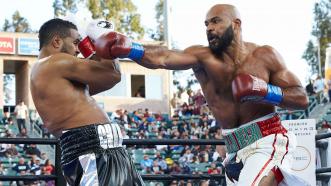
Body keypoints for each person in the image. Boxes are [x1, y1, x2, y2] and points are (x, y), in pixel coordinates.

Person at [92, 4, 309, 186]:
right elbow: (164, 57)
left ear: (236, 24)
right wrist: (131, 48)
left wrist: (265, 91)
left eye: (216, 21)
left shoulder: (265, 55)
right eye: (206, 24)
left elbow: (301, 98)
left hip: (267, 138)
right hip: (234, 151)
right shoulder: (202, 57)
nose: (210, 28)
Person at [30, 18, 144, 185]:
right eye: (76, 43)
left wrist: (92, 47)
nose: (78, 50)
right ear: (56, 42)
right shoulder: (55, 62)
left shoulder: (48, 70)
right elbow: (111, 73)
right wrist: (103, 37)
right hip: (92, 151)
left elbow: (103, 80)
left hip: (97, 150)